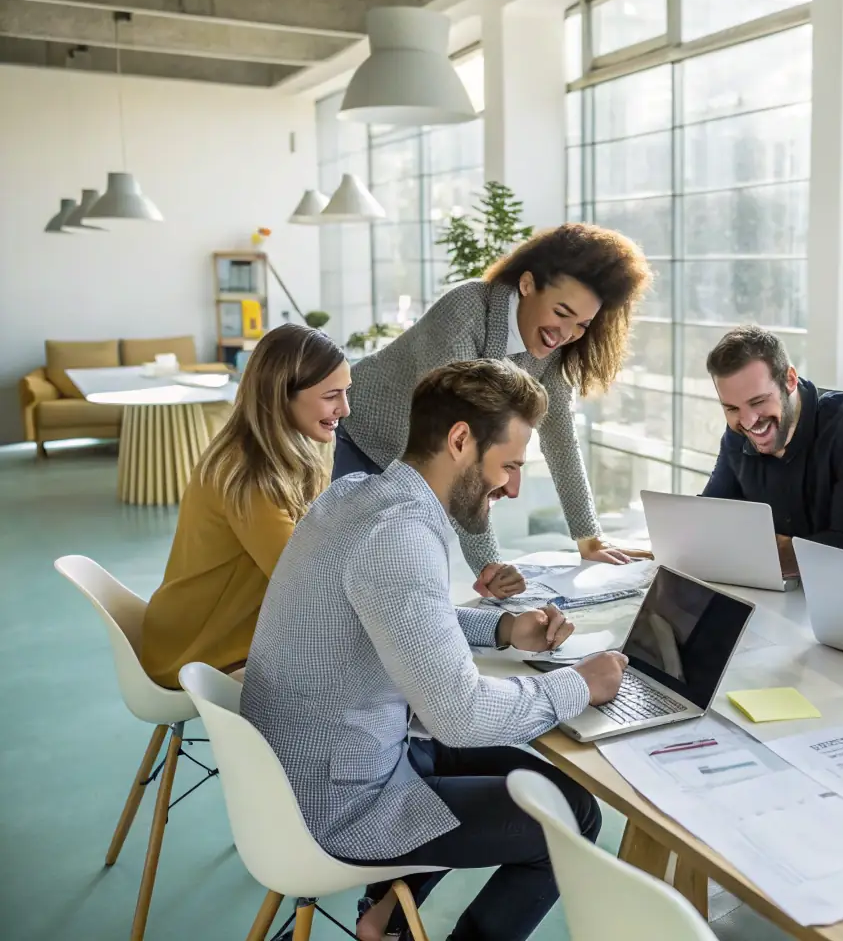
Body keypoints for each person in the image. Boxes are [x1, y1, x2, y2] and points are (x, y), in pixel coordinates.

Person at [242, 359, 628, 941]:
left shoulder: (354, 495)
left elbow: (398, 618)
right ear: (459, 441)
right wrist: (581, 683)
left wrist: (500, 630)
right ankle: (394, 913)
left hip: (311, 771)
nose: (514, 487)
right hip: (342, 803)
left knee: (560, 791)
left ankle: (386, 918)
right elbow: (460, 715)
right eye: (509, 466)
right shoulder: (400, 536)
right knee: (568, 822)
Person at [335, 223, 653, 600]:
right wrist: (489, 565)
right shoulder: (467, 310)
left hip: (411, 467)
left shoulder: (547, 353)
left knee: (387, 587)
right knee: (338, 581)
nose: (565, 333)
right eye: (561, 312)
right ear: (527, 284)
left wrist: (589, 537)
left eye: (581, 324)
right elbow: (458, 452)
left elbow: (561, 438)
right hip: (355, 440)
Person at [138, 324, 349, 689]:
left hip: (206, 629)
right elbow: (307, 584)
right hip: (197, 650)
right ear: (281, 395)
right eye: (331, 395)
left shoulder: (280, 452)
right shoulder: (250, 476)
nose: (344, 408)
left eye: (347, 392)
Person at [701, 325, 843, 576]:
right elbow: (712, 517)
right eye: (732, 408)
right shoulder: (738, 433)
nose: (748, 421)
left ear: (790, 379)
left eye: (758, 402)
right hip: (785, 582)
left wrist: (748, 549)